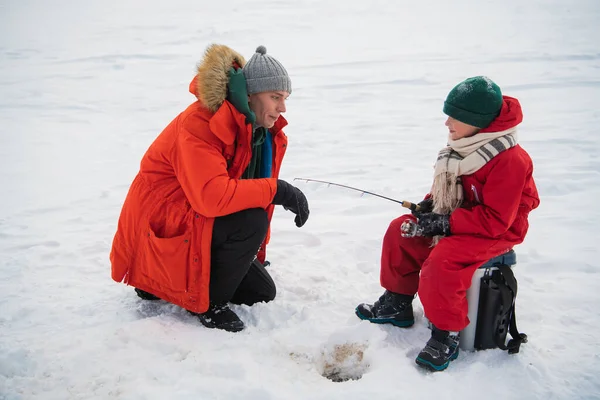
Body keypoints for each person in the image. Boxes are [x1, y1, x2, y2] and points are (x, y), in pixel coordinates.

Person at [110, 44, 309, 333]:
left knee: (260, 293)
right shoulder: (200, 124)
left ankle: (171, 286)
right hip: (159, 228)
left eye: (285, 98)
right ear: (251, 95)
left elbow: (240, 191)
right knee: (250, 219)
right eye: (275, 97)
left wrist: (253, 254)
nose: (283, 107)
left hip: (193, 219)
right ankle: (204, 303)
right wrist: (279, 190)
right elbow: (212, 198)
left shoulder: (256, 133)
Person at [355, 76, 540, 371]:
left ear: (478, 121)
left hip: (498, 230)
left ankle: (446, 334)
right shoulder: (464, 145)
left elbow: (496, 220)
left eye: (455, 117)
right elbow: (450, 187)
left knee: (444, 260)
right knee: (400, 230)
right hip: (461, 219)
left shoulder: (509, 160)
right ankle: (397, 302)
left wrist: (444, 224)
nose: (447, 123)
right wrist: (429, 206)